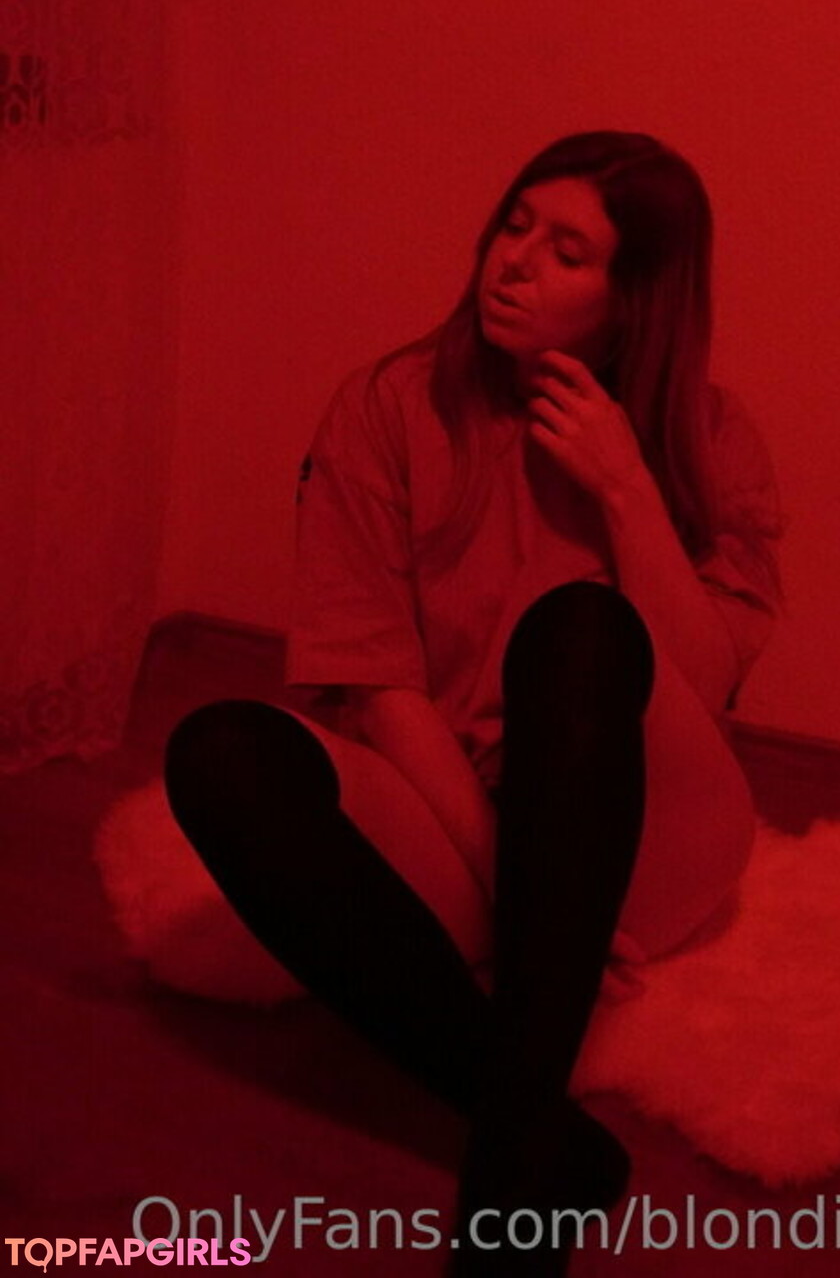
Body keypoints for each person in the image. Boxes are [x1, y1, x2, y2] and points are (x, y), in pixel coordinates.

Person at [163, 129, 786, 1274]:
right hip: (470, 817)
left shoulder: (711, 434)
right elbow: (376, 680)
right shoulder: (388, 406)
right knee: (220, 752)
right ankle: (542, 1139)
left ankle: (500, 1213)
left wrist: (625, 485)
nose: (514, 261)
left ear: (634, 296)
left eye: (567, 251)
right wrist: (514, 873)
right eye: (515, 223)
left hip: (654, 834)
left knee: (580, 630)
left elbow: (699, 688)